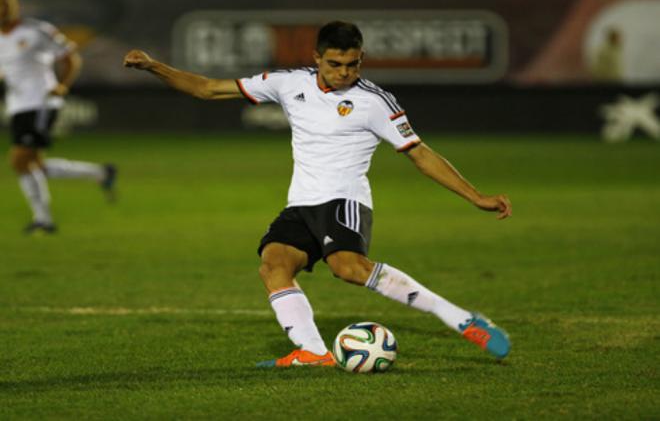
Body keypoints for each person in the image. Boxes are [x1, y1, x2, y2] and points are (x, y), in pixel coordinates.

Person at [123, 21, 512, 367]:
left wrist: (475, 196)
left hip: (344, 200)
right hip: (301, 204)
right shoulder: (288, 82)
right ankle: (313, 352)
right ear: (316, 59)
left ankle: (461, 319)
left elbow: (421, 154)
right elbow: (208, 89)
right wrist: (154, 66)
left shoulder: (375, 102)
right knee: (273, 264)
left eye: (353, 64)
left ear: (361, 60)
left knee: (348, 268)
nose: (345, 73)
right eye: (335, 64)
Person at [0, 0, 117, 234]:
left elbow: (70, 57)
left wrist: (62, 85)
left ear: (15, 5)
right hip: (18, 105)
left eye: (7, 3)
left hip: (41, 102)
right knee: (34, 165)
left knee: (20, 160)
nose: (3, 9)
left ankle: (44, 220)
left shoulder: (37, 31)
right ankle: (100, 173)